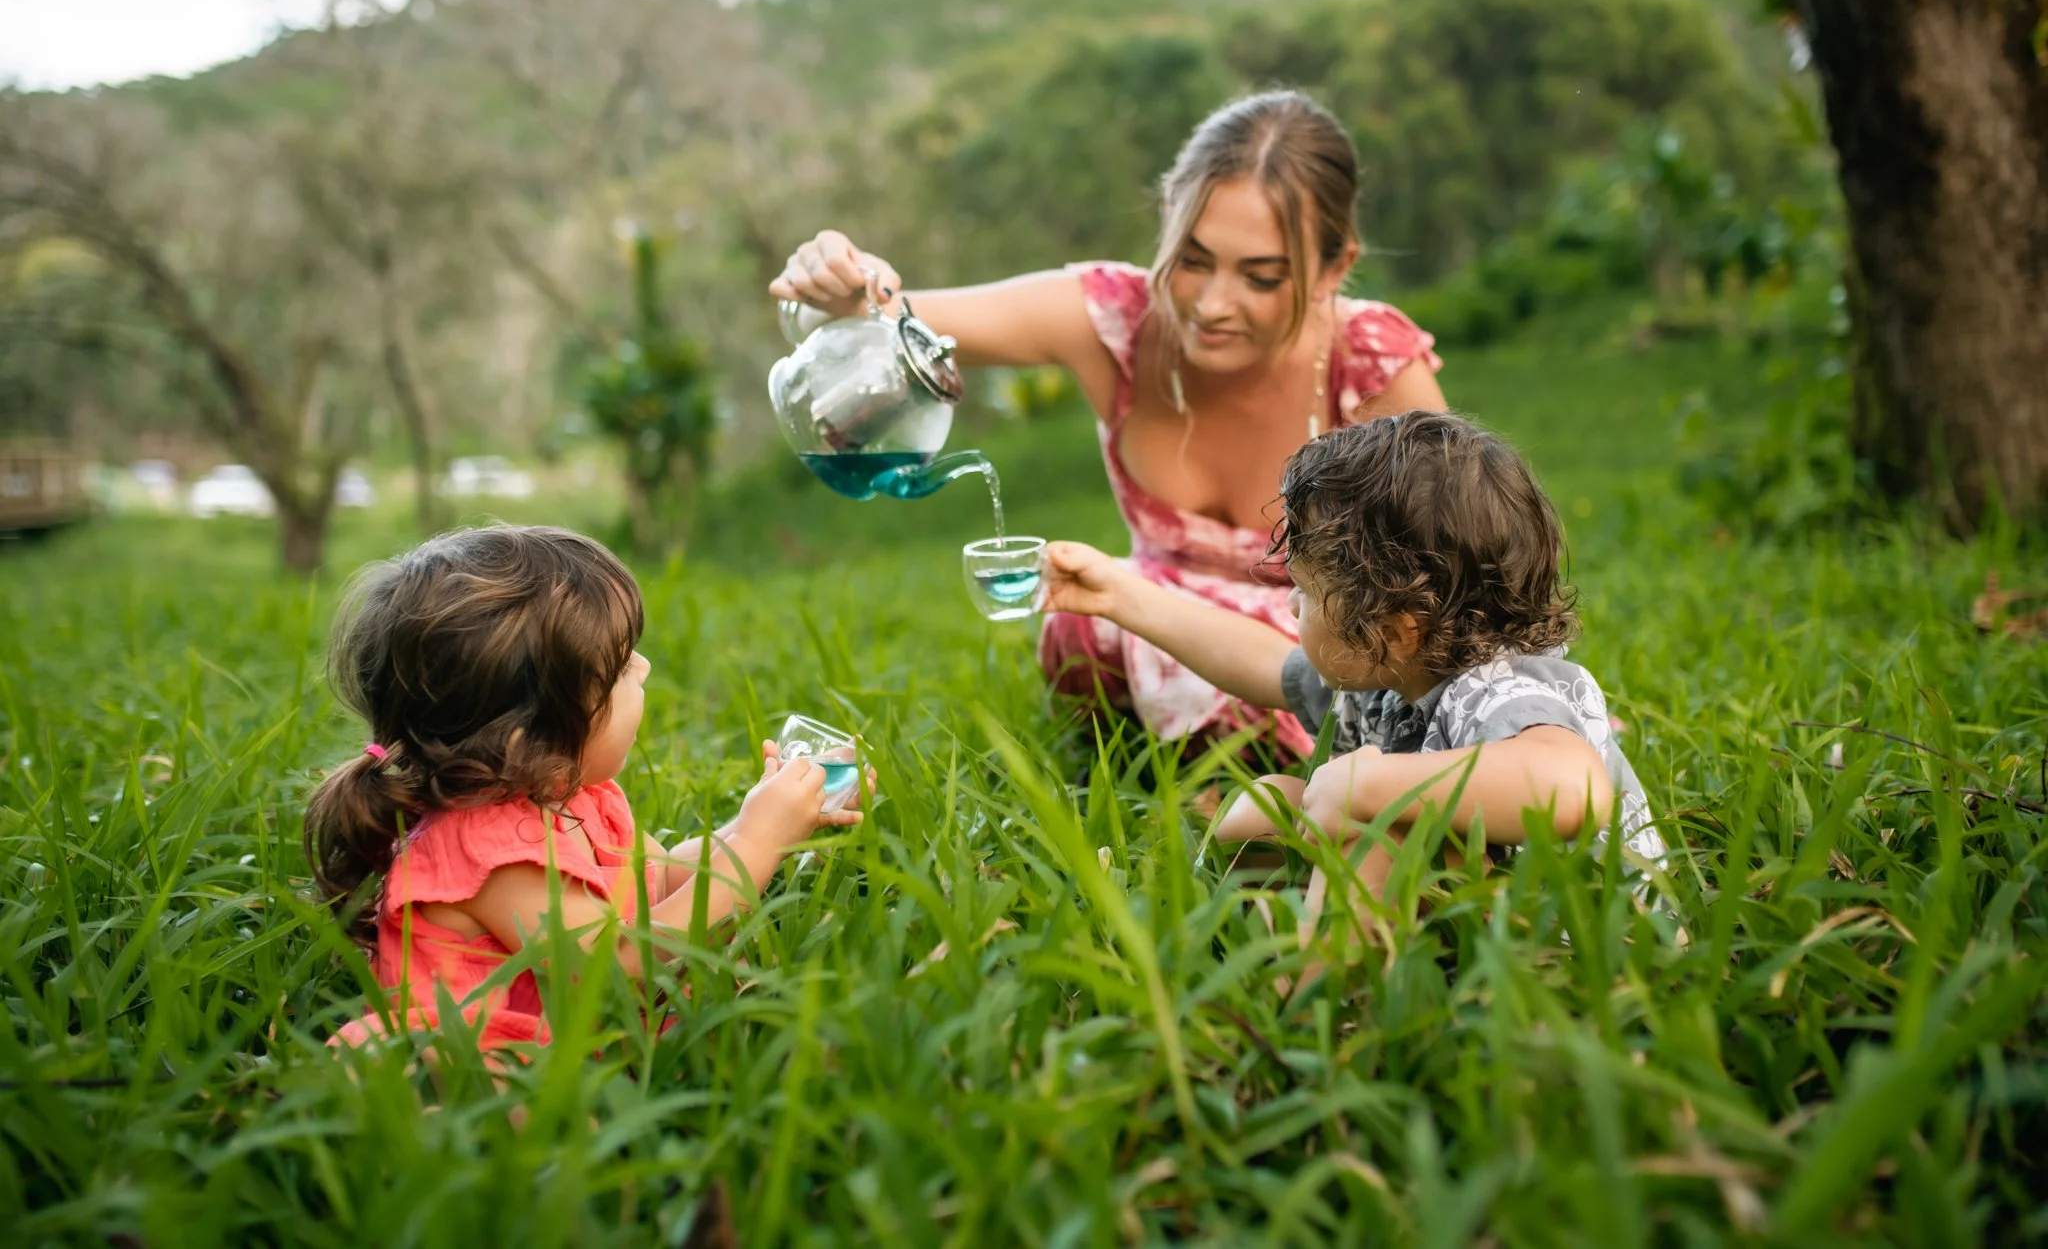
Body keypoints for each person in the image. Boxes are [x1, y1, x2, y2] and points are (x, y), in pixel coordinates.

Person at [770, 90, 1446, 759]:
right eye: (1192, 260)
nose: (1212, 305)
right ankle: (1188, 768)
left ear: (1335, 267)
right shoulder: (1114, 317)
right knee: (1080, 631)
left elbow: (1451, 588)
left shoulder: (1371, 364)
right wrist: (840, 291)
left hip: (1323, 654)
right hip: (1152, 629)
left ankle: (1272, 782)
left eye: (1261, 278)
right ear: (1166, 222)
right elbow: (878, 319)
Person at [1038, 412, 1666, 941]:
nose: (1289, 607)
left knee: (1378, 828)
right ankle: (1233, 941)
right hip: (1481, 922)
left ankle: (1318, 1020)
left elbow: (1574, 785)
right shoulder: (1391, 676)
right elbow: (1258, 662)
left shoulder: (1499, 691)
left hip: (1585, 949)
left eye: (1305, 593)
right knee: (1267, 804)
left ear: (1395, 628)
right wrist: (1119, 597)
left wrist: (1375, 782)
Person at [303, 525, 865, 1052]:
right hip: (481, 1050)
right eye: (619, 667)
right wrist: (757, 849)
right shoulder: (484, 851)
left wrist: (761, 822)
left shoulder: (577, 797)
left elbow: (661, 878)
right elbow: (614, 963)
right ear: (529, 737)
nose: (643, 668)